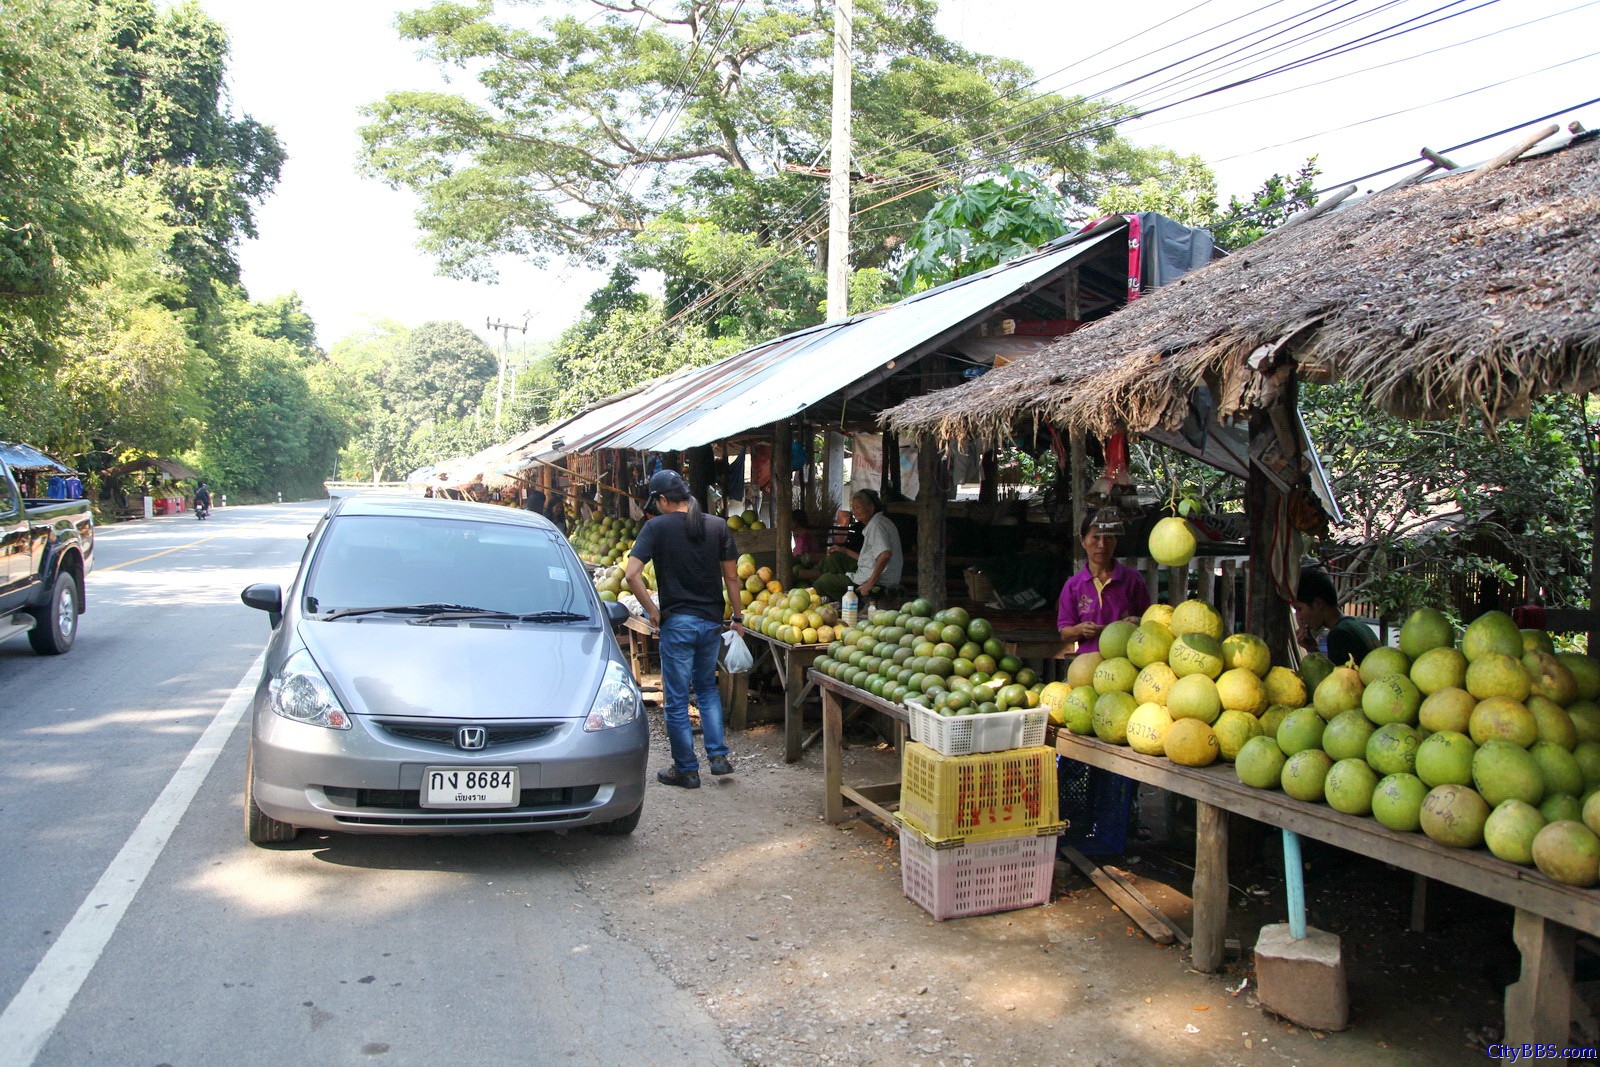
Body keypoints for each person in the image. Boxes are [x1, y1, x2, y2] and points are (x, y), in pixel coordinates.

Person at [626, 470, 744, 789]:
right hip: (711, 621)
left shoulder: (656, 528)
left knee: (677, 699)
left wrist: (653, 611)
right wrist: (737, 618)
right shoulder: (717, 526)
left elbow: (632, 574)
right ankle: (718, 757)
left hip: (677, 623)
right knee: (706, 689)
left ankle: (687, 770)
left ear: (663, 499)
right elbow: (732, 577)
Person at [1056, 509, 1152, 654]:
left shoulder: (1132, 579)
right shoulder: (1073, 586)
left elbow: (1149, 621)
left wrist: (1138, 621)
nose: (1102, 544)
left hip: (1127, 660)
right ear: (1082, 541)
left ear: (1115, 541)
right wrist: (1080, 629)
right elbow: (1065, 633)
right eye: (1095, 537)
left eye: (1108, 537)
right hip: (1088, 660)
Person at [815, 489, 903, 602]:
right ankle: (817, 575)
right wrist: (844, 551)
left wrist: (869, 584)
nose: (854, 511)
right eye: (853, 508)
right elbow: (869, 559)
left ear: (871, 507)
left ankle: (847, 600)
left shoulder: (876, 525)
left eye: (858, 507)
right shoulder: (879, 521)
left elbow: (885, 555)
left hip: (879, 581)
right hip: (871, 572)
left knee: (823, 582)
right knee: (835, 558)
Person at [1296, 568, 1378, 667]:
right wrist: (1313, 649)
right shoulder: (1359, 626)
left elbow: (1338, 676)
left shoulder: (1339, 635)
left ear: (1317, 604)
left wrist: (1313, 650)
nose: (1298, 616)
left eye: (1299, 609)